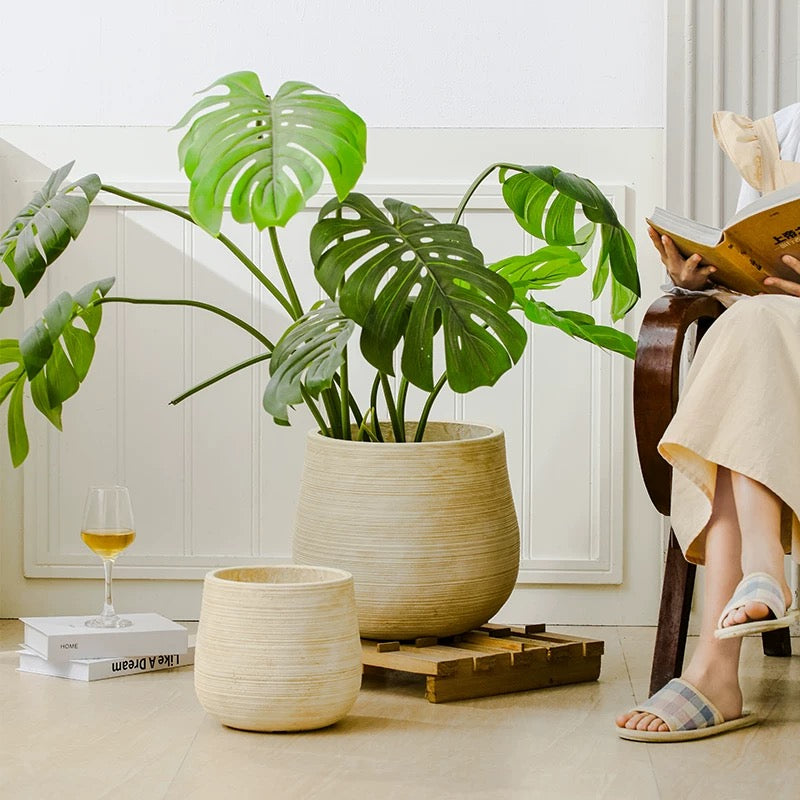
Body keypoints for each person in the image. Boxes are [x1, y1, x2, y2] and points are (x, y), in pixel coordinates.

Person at [616, 105, 800, 742]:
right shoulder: (780, 134)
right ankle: (760, 572)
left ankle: (717, 667)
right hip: (777, 340)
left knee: (746, 343)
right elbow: (752, 256)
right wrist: (701, 277)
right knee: (747, 326)